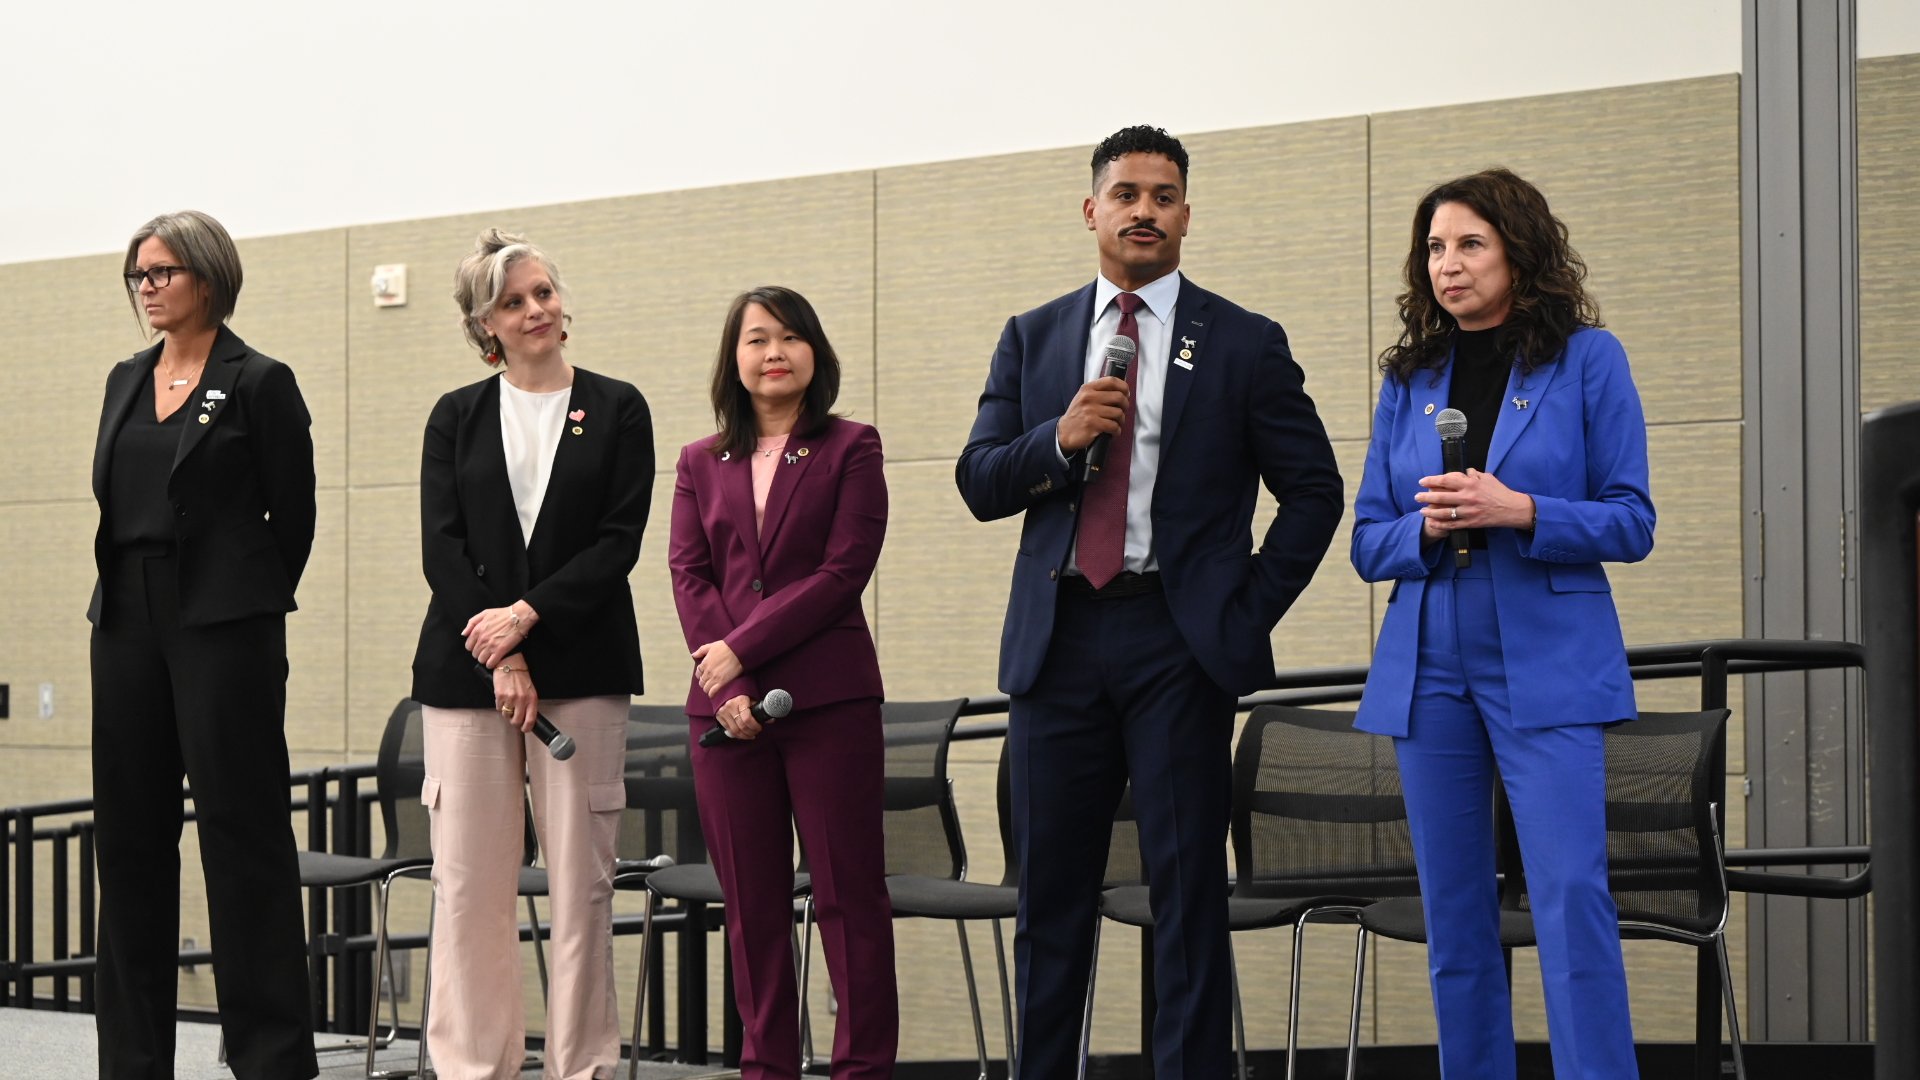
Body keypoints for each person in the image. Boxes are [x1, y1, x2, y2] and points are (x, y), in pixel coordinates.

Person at [955, 126, 1343, 1078]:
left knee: (1185, 897)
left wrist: (1241, 609)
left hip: (1178, 638)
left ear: (1185, 216)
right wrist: (1059, 437)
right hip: (1058, 642)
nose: (1144, 210)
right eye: (1126, 193)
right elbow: (977, 480)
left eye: (1163, 196)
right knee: (1048, 900)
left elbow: (1315, 491)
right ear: (1091, 209)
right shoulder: (1035, 334)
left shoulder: (1246, 341)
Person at [1350, 167, 1655, 1079]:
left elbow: (1632, 519)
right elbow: (1369, 540)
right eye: (1436, 249)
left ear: (1519, 253)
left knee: (1568, 898)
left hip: (1549, 655)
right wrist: (1426, 529)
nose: (1450, 265)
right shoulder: (1409, 379)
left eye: (1470, 244)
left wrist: (1521, 510)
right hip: (1430, 657)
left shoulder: (1588, 359)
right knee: (1453, 911)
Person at [410, 229, 653, 1080]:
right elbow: (443, 546)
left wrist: (525, 617)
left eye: (544, 292)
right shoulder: (455, 414)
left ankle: (581, 1067)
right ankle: (474, 1068)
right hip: (466, 674)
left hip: (583, 667)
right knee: (472, 890)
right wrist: (501, 650)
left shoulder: (618, 406)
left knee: (580, 891)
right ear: (488, 327)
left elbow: (617, 541)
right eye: (514, 302)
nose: (536, 309)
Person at [87, 210, 319, 1080]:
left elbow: (292, 519)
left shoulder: (259, 380)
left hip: (224, 624)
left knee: (242, 837)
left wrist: (246, 599)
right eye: (137, 275)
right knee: (131, 841)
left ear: (209, 279)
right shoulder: (123, 378)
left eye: (162, 272)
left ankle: (269, 1059)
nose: (147, 288)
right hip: (125, 623)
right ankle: (134, 1061)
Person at [668, 286, 896, 1079]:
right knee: (753, 911)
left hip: (829, 700)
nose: (775, 351)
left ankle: (862, 1068)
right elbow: (689, 573)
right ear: (734, 359)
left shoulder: (851, 447)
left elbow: (842, 573)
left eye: (792, 337)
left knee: (847, 898)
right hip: (723, 714)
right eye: (758, 338)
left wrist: (739, 647)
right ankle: (766, 1068)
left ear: (815, 354)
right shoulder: (701, 460)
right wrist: (722, 671)